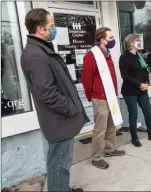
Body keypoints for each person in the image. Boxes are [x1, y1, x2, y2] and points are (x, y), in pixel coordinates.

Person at [21, 8, 89, 192]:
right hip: (59, 121)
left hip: (59, 120)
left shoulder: (40, 49)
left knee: (61, 163)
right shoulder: (36, 54)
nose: (54, 29)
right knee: (59, 164)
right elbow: (46, 93)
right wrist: (71, 108)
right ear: (41, 29)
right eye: (51, 25)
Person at [81, 27, 125, 169]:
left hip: (111, 96)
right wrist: (91, 96)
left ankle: (109, 149)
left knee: (112, 124)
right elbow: (86, 80)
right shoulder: (92, 56)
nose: (113, 40)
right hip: (100, 98)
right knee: (100, 128)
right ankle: (96, 157)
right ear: (102, 40)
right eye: (110, 38)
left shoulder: (107, 54)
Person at [119, 34, 151, 147]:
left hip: (142, 89)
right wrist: (139, 84)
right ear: (131, 43)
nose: (139, 42)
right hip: (130, 91)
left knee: (148, 111)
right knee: (133, 115)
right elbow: (125, 76)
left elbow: (145, 71)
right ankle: (134, 138)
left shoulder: (139, 56)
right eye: (137, 40)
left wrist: (146, 83)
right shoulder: (124, 57)